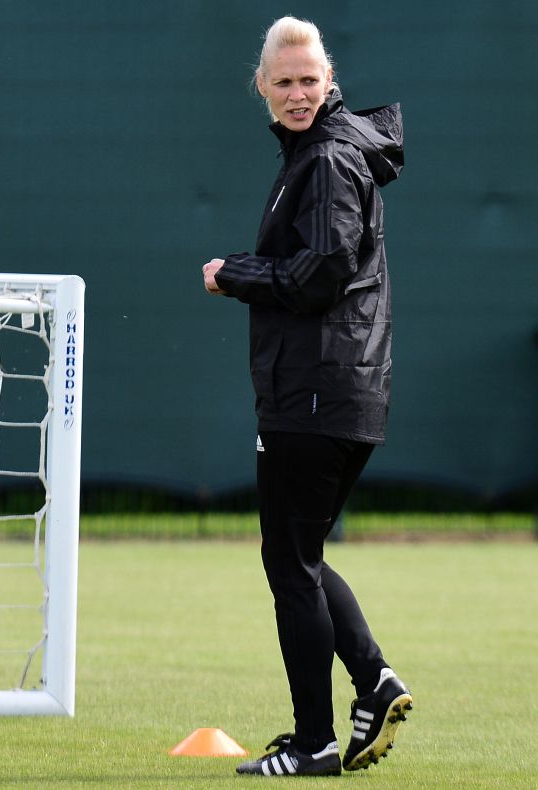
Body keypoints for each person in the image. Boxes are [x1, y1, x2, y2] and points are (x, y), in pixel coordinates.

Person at [201, 16, 412, 777]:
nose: (296, 93)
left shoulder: (325, 160)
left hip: (318, 392)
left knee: (290, 565)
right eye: (283, 82)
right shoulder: (325, 155)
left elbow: (320, 272)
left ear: (330, 84)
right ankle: (374, 678)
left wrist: (235, 272)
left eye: (307, 81)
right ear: (261, 87)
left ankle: (315, 740)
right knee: (303, 556)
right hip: (341, 390)